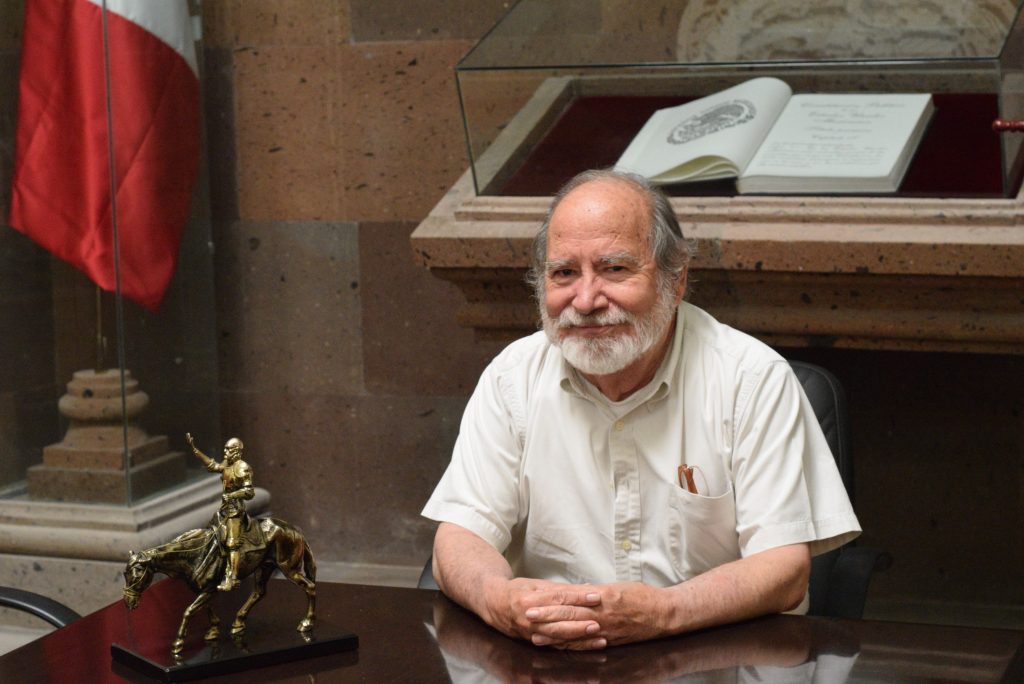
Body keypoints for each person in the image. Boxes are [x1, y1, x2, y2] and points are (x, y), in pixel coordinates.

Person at [421, 168, 861, 651]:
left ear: (676, 280)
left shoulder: (752, 379)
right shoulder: (512, 377)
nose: (585, 300)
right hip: (552, 657)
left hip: (712, 659)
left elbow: (783, 571)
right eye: (564, 273)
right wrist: (500, 601)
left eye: (614, 269)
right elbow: (458, 540)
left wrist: (662, 613)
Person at [186, 433, 255, 591]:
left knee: (232, 543)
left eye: (228, 449)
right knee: (212, 535)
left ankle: (233, 578)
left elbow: (249, 492)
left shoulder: (243, 468)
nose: (225, 452)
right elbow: (213, 466)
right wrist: (195, 450)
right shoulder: (227, 463)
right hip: (224, 508)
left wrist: (232, 495)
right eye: (225, 448)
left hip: (235, 510)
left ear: (236, 451)